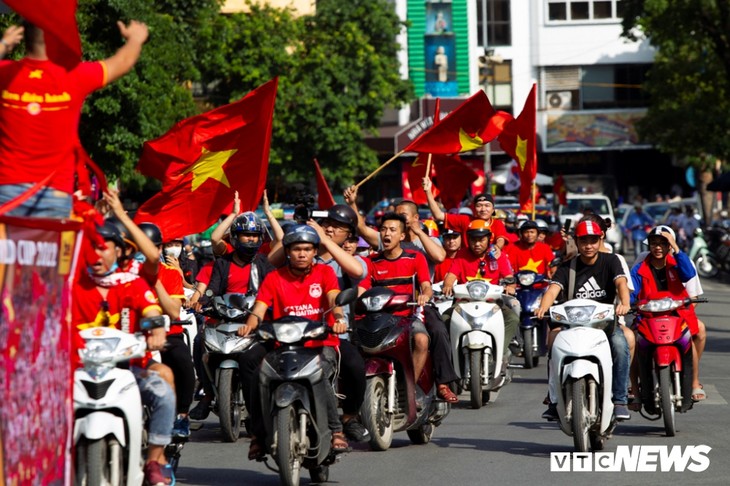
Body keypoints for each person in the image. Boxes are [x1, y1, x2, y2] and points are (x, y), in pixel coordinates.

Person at [0, 20, 149, 218]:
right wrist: (135, 39)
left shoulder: (6, 73)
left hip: (8, 191)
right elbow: (122, 63)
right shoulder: (74, 76)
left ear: (26, 39)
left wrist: (4, 44)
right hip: (54, 193)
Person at [72, 221, 175, 486]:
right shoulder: (71, 284)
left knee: (163, 392)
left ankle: (154, 459)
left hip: (127, 370)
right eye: (89, 248)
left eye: (101, 248)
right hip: (74, 372)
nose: (95, 255)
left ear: (118, 251)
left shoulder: (132, 283)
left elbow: (152, 311)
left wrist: (156, 330)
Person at [240, 225, 351, 458]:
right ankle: (257, 434)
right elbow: (259, 308)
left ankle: (336, 430)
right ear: (287, 251)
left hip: (320, 343)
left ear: (314, 252)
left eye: (307, 249)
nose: (302, 254)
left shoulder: (325, 274)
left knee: (320, 373)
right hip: (283, 344)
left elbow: (333, 298)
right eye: (297, 249)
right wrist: (249, 324)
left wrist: (339, 318)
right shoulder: (274, 277)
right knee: (250, 362)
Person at [535, 220, 632, 422]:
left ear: (600, 240)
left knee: (620, 344)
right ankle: (554, 400)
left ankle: (620, 400)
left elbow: (621, 282)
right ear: (576, 242)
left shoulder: (611, 260)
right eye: (584, 241)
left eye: (593, 240)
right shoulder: (567, 267)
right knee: (553, 345)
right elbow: (553, 289)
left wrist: (624, 302)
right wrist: (543, 307)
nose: (589, 245)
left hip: (604, 323)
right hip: (573, 323)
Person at [188, 211, 273, 422]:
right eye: (245, 235)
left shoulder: (263, 263)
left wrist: (269, 214)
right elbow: (212, 288)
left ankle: (264, 402)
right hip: (223, 318)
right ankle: (208, 395)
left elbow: (271, 290)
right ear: (235, 237)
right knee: (200, 342)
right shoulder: (222, 263)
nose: (251, 239)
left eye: (254, 235)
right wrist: (202, 303)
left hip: (254, 320)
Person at [630, 225, 707, 403]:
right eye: (654, 243)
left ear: (670, 246)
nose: (658, 247)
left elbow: (689, 279)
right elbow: (631, 290)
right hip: (648, 317)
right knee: (632, 340)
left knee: (692, 333)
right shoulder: (641, 265)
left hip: (677, 315)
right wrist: (626, 303)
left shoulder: (681, 261)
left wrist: (677, 249)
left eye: (664, 244)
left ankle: (694, 381)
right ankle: (634, 387)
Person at [441, 220, 519, 362]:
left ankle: (499, 351)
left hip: (493, 304)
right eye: (473, 240)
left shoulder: (497, 255)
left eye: (481, 240)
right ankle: (452, 355)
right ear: (468, 239)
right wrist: (447, 285)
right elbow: (451, 276)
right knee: (444, 319)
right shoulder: (461, 254)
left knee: (512, 319)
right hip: (464, 303)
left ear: (489, 238)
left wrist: (510, 287)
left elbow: (509, 278)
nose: (477, 244)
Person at [423, 177, 510, 253]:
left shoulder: (497, 223)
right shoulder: (465, 220)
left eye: (487, 206)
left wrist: (496, 248)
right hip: (467, 263)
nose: (483, 209)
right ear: (474, 209)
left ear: (493, 210)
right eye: (479, 206)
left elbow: (500, 239)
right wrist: (428, 192)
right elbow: (438, 215)